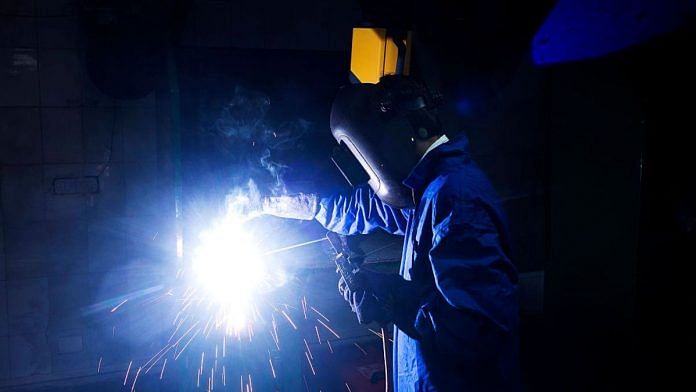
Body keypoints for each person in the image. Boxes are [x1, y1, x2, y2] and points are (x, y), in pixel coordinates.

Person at [260, 75, 519, 391]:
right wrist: (288, 204)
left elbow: (474, 332)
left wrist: (391, 296)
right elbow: (364, 208)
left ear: (396, 137)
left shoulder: (456, 201)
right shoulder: (426, 192)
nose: (371, 173)